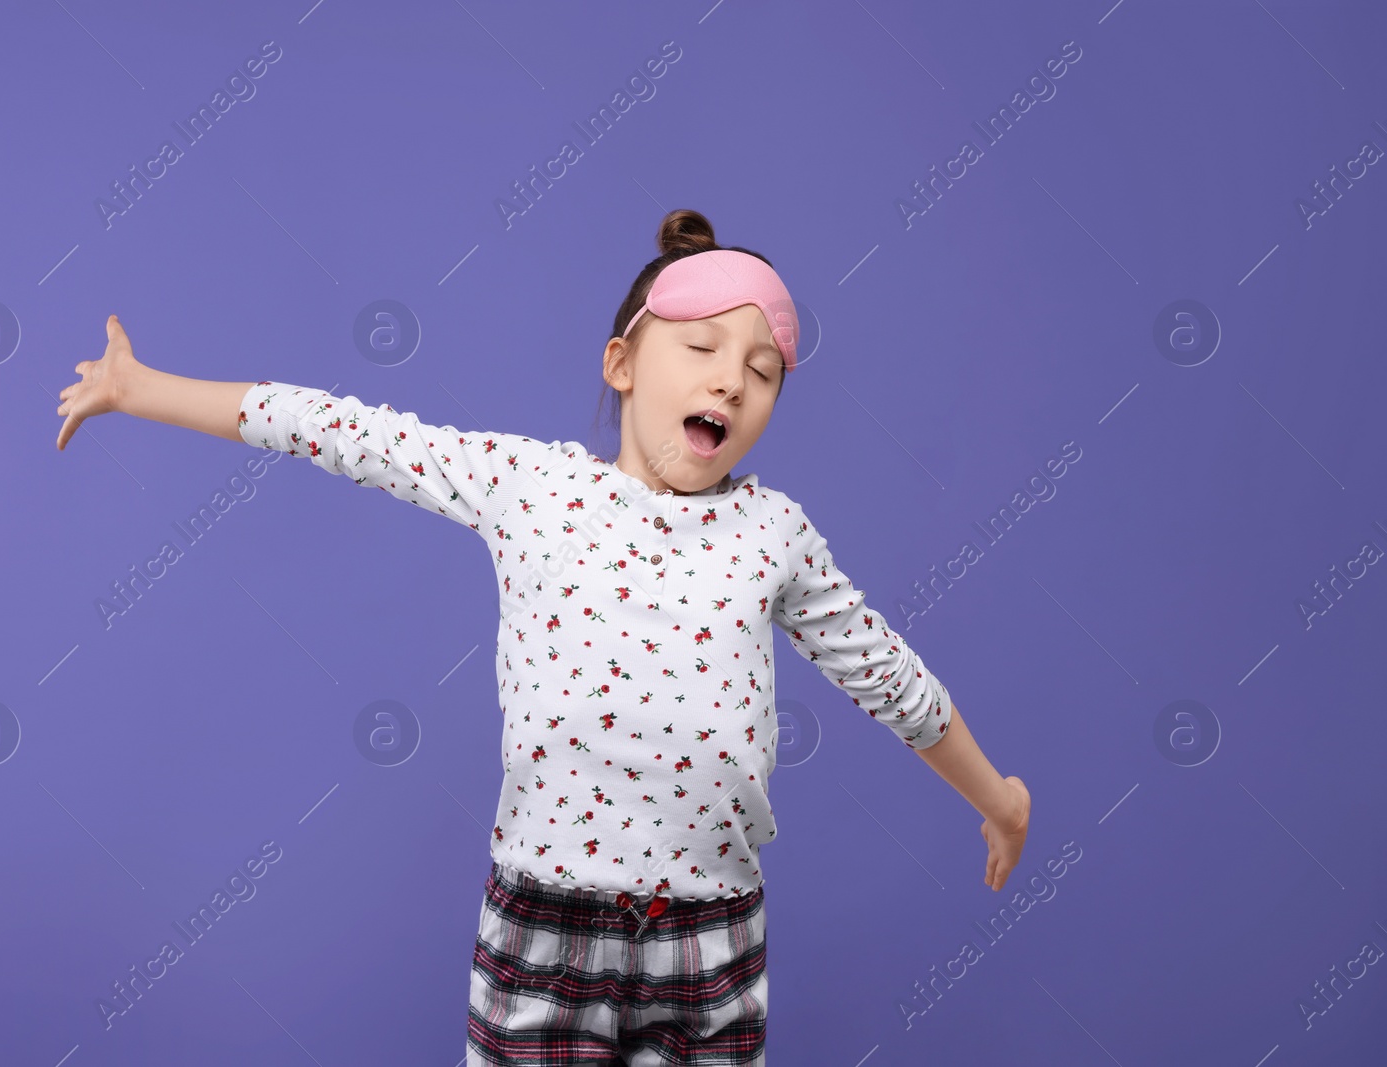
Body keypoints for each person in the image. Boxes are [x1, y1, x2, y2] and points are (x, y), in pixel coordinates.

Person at [55, 208, 1031, 1067]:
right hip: (543, 925)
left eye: (762, 370)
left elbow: (887, 674)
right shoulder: (528, 484)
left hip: (711, 935)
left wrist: (999, 799)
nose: (731, 383)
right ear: (621, 363)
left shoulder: (772, 531)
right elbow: (338, 428)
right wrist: (143, 388)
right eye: (700, 350)